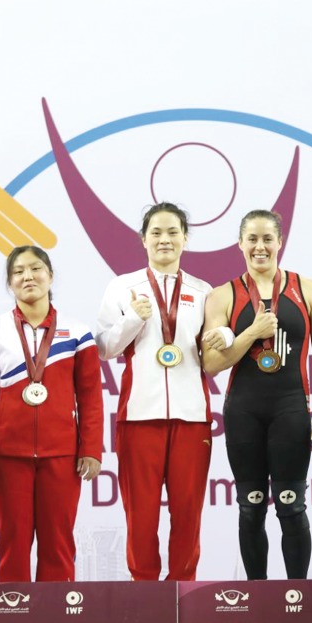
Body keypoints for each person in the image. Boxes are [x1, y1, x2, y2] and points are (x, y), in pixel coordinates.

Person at [202, 209, 312, 580]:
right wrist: (252, 331)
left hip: (291, 409)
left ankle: (298, 598)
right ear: (240, 244)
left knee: (292, 505)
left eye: (267, 239)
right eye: (252, 239)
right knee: (251, 507)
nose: (260, 247)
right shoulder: (221, 296)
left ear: (279, 242)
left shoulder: (308, 289)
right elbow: (212, 364)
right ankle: (257, 598)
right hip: (244, 411)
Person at [0, 245, 103, 582]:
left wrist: (90, 449)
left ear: (50, 276)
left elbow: (90, 398)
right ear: (10, 284)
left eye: (36, 268)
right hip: (7, 456)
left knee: (59, 544)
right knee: (12, 543)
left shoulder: (78, 333)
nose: (28, 276)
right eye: (18, 272)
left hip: (62, 456)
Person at [95, 203, 214, 580]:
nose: (165, 239)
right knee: (140, 513)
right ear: (143, 239)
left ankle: (183, 589)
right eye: (156, 233)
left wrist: (224, 335)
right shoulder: (121, 287)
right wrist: (134, 319)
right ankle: (144, 590)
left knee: (188, 511)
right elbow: (104, 347)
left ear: (185, 239)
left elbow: (211, 352)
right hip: (138, 415)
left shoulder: (203, 290)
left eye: (173, 232)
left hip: (191, 417)